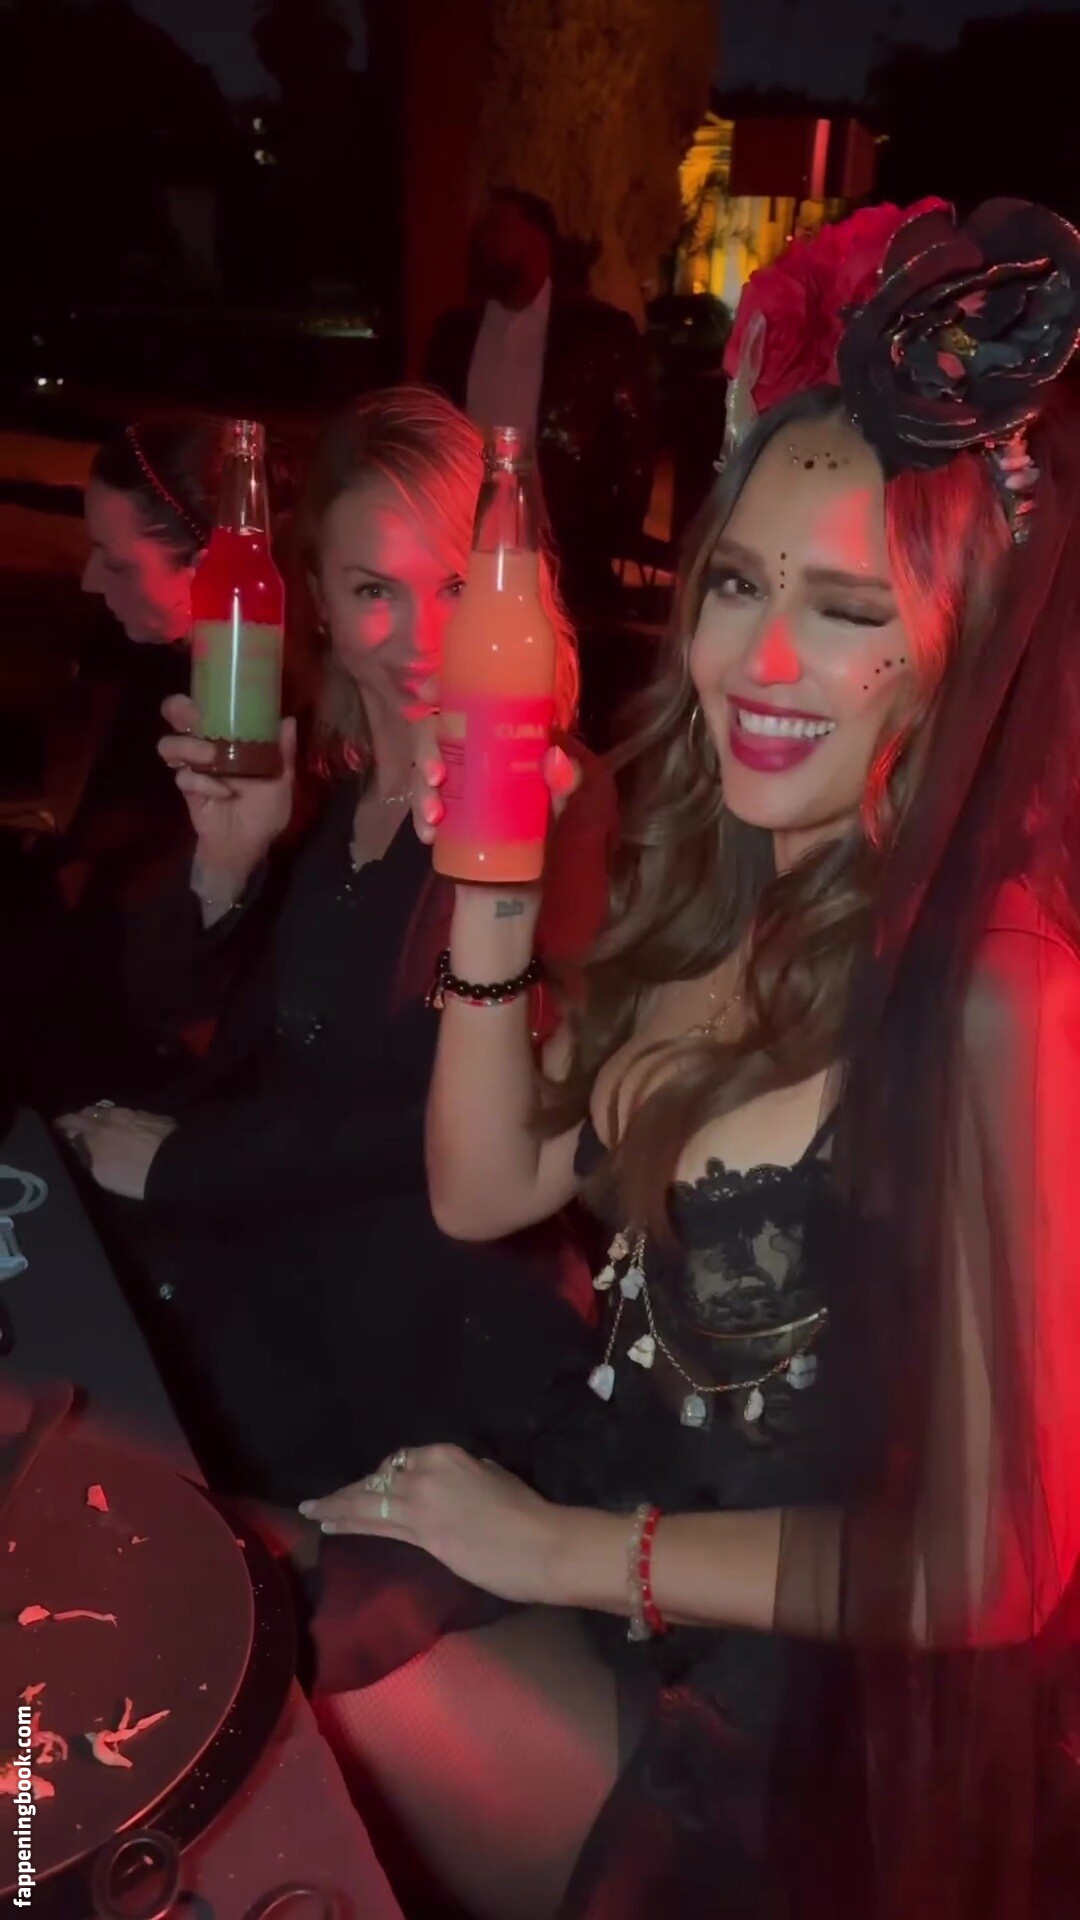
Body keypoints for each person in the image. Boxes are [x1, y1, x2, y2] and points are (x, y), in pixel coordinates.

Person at [302, 203, 1080, 1920]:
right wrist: (493, 876)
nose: (760, 661)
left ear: (966, 652)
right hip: (605, 1531)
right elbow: (483, 1186)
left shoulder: (998, 992)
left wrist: (563, 1550)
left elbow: (997, 1566)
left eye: (848, 610)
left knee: (272, 1714)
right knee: (244, 1597)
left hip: (778, 1696)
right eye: (738, 583)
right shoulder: (727, 876)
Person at [57, 387, 610, 1506]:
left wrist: (184, 1165)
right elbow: (179, 1020)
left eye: (455, 587)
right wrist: (225, 867)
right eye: (373, 591)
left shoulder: (556, 799)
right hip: (286, 1307)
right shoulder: (321, 780)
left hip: (448, 1358)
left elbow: (475, 1122)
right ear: (314, 598)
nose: (421, 638)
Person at [424, 188, 655, 617]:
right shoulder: (455, 333)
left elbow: (634, 444)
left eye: (500, 230)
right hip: (464, 548)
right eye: (484, 233)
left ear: (538, 239)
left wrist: (606, 538)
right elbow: (431, 425)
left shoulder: (597, 333)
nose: (487, 244)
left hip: (565, 559)